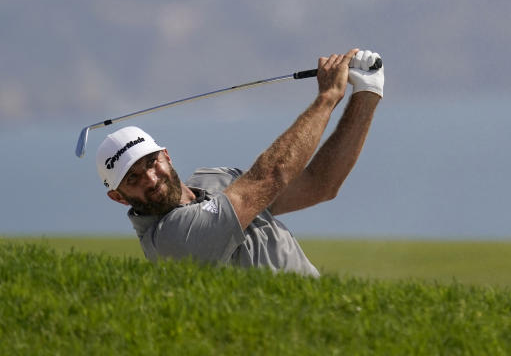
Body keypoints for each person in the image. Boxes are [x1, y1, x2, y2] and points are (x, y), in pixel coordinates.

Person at [95, 48, 383, 275]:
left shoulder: (215, 180)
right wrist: (328, 96)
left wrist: (367, 93)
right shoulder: (170, 239)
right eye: (132, 178)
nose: (150, 177)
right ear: (118, 198)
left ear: (166, 156)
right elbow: (272, 175)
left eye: (150, 162)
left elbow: (320, 185)